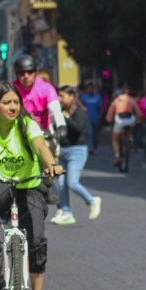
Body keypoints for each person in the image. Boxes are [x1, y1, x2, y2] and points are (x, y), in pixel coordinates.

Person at [0, 81, 64, 290]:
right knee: (1, 191)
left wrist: (51, 164)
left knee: (37, 237)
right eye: (6, 103)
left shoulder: (27, 125)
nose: (13, 107)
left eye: (16, 102)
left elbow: (40, 146)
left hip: (29, 185)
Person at [51, 86, 102, 225]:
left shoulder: (79, 111)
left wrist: (65, 118)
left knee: (72, 182)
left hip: (77, 151)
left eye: (62, 96)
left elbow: (78, 128)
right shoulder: (60, 112)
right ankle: (67, 212)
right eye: (59, 96)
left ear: (72, 96)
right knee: (61, 184)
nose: (60, 99)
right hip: (63, 151)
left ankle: (92, 200)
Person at [105, 84, 142, 168]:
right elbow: (139, 113)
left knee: (115, 138)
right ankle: (131, 140)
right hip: (130, 119)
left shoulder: (116, 100)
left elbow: (110, 112)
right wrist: (139, 121)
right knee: (130, 128)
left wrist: (109, 120)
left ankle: (117, 156)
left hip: (119, 119)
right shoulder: (131, 99)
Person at [79, 81, 104, 154]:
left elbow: (101, 107)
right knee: (89, 133)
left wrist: (100, 116)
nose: (90, 89)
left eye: (91, 88)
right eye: (88, 88)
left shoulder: (97, 97)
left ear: (93, 89)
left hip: (96, 118)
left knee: (95, 134)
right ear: (86, 89)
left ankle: (95, 147)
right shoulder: (84, 97)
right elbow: (81, 107)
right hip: (87, 119)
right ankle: (91, 148)